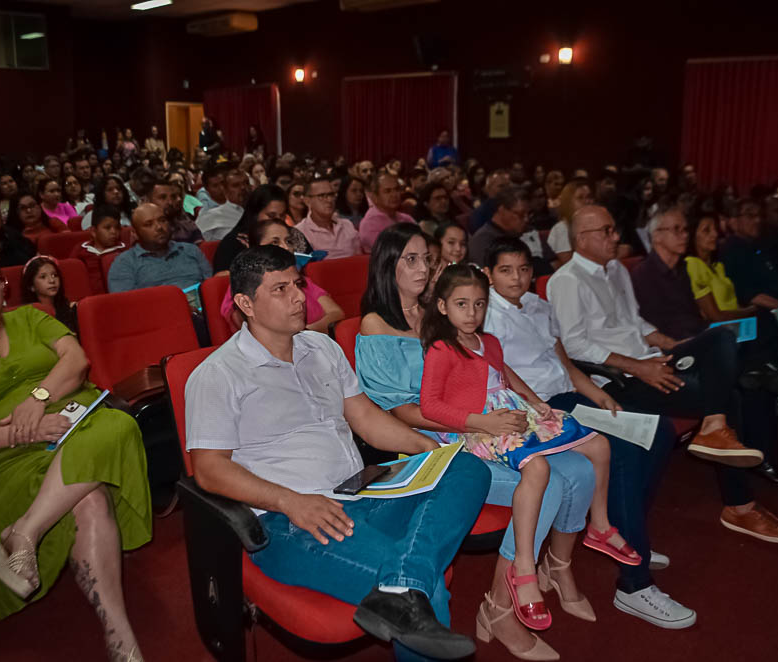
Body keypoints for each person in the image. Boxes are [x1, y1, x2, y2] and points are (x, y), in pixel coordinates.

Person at [186, 244, 490, 660]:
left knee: (466, 468)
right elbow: (208, 471)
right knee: (429, 588)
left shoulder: (321, 347)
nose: (298, 297)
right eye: (280, 290)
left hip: (362, 491)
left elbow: (364, 416)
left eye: (298, 284)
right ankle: (408, 585)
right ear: (245, 303)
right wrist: (290, 501)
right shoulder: (217, 375)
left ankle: (402, 582)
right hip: (294, 519)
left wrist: (428, 451)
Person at [354, 223, 596, 657]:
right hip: (430, 440)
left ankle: (558, 567)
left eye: (425, 259)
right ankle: (500, 608)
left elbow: (491, 366)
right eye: (410, 259)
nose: (423, 268)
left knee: (580, 466)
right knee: (550, 483)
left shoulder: (438, 311)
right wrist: (479, 422)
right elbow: (396, 409)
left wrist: (528, 402)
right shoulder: (376, 326)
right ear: (386, 267)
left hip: (481, 424)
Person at [0, 243, 151, 658]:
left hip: (72, 424)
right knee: (89, 497)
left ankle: (25, 532)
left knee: (117, 422)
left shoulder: (30, 318)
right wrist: (21, 434)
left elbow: (75, 361)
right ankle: (120, 638)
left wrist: (38, 396)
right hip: (0, 458)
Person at [548, 206, 778, 541]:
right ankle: (739, 505)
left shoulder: (617, 271)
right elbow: (575, 346)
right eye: (606, 231)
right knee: (732, 393)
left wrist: (674, 344)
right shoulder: (566, 281)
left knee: (721, 338)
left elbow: (636, 323)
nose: (616, 236)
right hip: (620, 380)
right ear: (581, 239)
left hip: (650, 359)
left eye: (613, 229)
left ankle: (716, 424)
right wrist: (639, 367)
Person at [481, 236, 686, 628]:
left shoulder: (539, 305)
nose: (518, 278)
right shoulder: (486, 314)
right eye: (506, 270)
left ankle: (630, 530)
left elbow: (566, 363)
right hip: (542, 406)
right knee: (622, 453)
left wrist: (600, 397)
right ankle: (635, 583)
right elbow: (502, 377)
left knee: (658, 433)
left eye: (524, 269)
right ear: (489, 274)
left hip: (572, 395)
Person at [422, 264, 637, 626]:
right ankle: (524, 566)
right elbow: (430, 405)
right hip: (475, 427)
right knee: (537, 467)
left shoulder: (487, 341)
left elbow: (505, 374)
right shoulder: (442, 348)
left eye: (479, 304)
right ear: (443, 307)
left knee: (598, 445)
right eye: (462, 304)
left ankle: (599, 526)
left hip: (510, 411)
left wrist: (536, 401)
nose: (472, 313)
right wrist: (483, 422)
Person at [632, 208, 778, 485]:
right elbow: (648, 328)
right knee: (745, 375)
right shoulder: (643, 275)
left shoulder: (681, 272)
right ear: (656, 237)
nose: (683, 235)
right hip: (677, 350)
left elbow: (697, 316)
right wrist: (692, 339)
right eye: (676, 229)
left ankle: (761, 383)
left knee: (761, 329)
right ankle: (761, 383)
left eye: (684, 229)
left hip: (702, 339)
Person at [686, 209, 778, 440]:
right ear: (693, 237)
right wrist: (749, 312)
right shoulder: (693, 265)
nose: (714, 235)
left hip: (740, 322)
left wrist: (749, 313)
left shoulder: (716, 265)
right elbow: (713, 315)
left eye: (714, 229)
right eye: (706, 231)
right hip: (722, 330)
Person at [218, 218, 344, 335]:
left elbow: (336, 313)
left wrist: (306, 333)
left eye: (288, 241)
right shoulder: (244, 286)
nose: (285, 247)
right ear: (255, 248)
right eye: (275, 241)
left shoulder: (301, 280)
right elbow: (256, 332)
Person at [107, 203, 211, 293]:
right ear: (135, 233)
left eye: (162, 220)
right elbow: (128, 306)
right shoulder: (124, 263)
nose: (159, 227)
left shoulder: (191, 250)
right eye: (149, 224)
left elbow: (211, 289)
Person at [469, 188, 557, 277]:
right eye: (521, 214)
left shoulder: (524, 232)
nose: (526, 219)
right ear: (502, 210)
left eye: (529, 214)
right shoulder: (482, 241)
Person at [213, 185, 288, 274]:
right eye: (271, 216)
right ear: (255, 214)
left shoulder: (293, 234)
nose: (278, 221)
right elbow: (223, 279)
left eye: (282, 215)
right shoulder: (233, 243)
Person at [295, 178, 361, 259]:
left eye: (331, 195)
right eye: (322, 196)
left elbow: (360, 258)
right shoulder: (300, 233)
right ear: (307, 201)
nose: (329, 200)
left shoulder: (347, 225)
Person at [69, 205, 127, 294]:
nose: (113, 232)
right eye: (107, 228)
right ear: (93, 231)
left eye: (117, 228)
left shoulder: (124, 251)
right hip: (88, 300)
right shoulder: (80, 250)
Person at [359, 172, 417, 252]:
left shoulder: (406, 219)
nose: (394, 195)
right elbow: (392, 252)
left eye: (396, 189)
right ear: (375, 197)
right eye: (387, 191)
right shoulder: (369, 225)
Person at [21, 255, 78, 331]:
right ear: (31, 286)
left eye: (54, 275)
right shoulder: (27, 316)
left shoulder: (71, 310)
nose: (52, 280)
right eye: (43, 277)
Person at [546, 179, 593, 265]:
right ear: (569, 202)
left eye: (589, 197)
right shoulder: (561, 228)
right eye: (580, 197)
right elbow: (569, 262)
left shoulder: (594, 226)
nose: (587, 201)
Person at [144, 178, 202, 244]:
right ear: (148, 201)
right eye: (163, 197)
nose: (170, 202)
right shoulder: (141, 233)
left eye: (172, 197)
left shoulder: (188, 227)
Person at [195, 169, 246, 242]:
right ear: (226, 189)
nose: (243, 188)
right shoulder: (210, 215)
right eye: (236, 185)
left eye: (246, 183)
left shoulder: (258, 208)